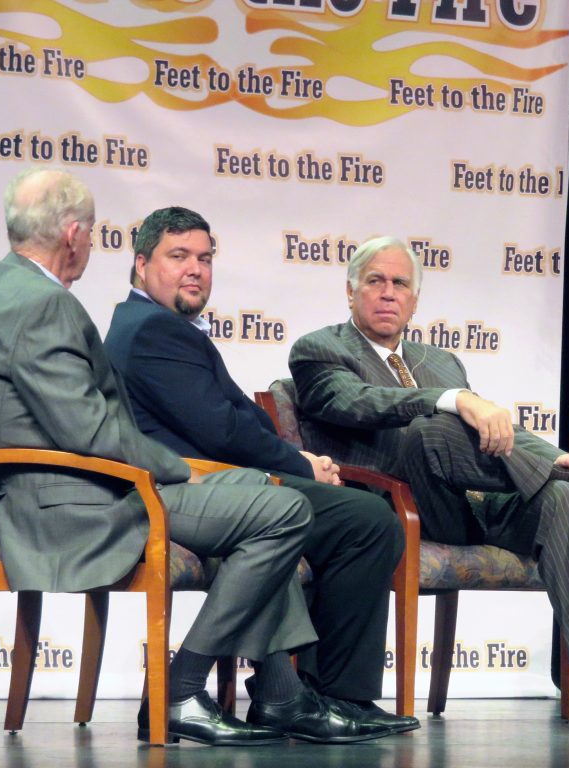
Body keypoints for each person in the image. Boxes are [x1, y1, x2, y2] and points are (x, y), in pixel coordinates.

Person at [0, 168, 388, 746]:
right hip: (76, 501)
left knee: (256, 497)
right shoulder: (48, 306)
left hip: (31, 488)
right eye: (92, 234)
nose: (92, 245)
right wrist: (181, 468)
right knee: (284, 510)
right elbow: (88, 431)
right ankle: (179, 688)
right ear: (73, 234)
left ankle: (280, 696)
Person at [289, 236, 569, 732]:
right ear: (351, 293)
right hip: (394, 508)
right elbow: (357, 403)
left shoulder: (440, 361)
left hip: (468, 503)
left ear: (415, 300)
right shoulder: (319, 349)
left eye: (400, 284)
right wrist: (453, 398)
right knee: (429, 424)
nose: (388, 293)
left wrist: (561, 457)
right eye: (376, 281)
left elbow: (494, 435)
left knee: (560, 497)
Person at [103, 206, 414, 740]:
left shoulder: (165, 326)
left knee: (318, 519)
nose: (195, 269)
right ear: (140, 263)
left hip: (223, 484)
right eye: (178, 257)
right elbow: (220, 429)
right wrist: (300, 464)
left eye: (204, 258)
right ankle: (330, 694)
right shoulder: (152, 329)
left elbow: (236, 416)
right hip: (194, 487)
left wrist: (300, 462)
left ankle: (286, 696)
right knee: (367, 521)